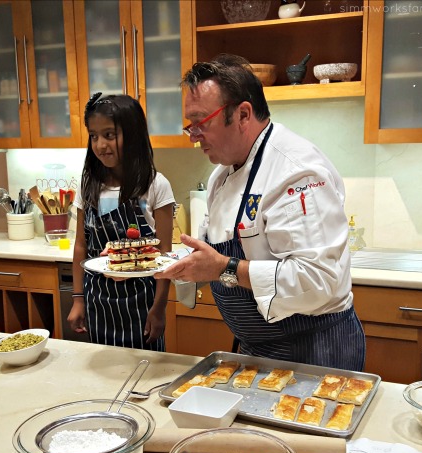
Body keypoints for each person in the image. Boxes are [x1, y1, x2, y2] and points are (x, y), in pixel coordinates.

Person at [155, 54, 366, 370]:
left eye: (201, 122)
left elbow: (318, 281)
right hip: (258, 349)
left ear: (242, 114)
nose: (193, 135)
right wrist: (152, 263)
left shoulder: (296, 172)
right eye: (190, 125)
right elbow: (213, 256)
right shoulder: (221, 175)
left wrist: (224, 268)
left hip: (313, 349)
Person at [68, 93, 175, 351]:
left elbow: (165, 255)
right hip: (98, 301)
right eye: (93, 136)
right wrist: (78, 299)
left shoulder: (155, 185)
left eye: (109, 135)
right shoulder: (89, 185)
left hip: (142, 303)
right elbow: (81, 246)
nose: (100, 144)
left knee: (146, 373)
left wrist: (159, 308)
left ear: (133, 135)